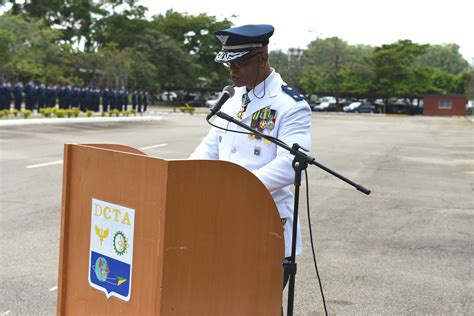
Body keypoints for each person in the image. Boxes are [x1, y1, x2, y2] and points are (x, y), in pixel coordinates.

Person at [189, 24, 312, 289]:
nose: (232, 69)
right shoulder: (233, 100)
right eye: (229, 63)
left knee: (258, 304)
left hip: (266, 223)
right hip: (226, 220)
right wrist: (183, 177)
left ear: (263, 58)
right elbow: (211, 146)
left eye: (240, 62)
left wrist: (238, 187)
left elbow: (291, 164)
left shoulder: (289, 104)